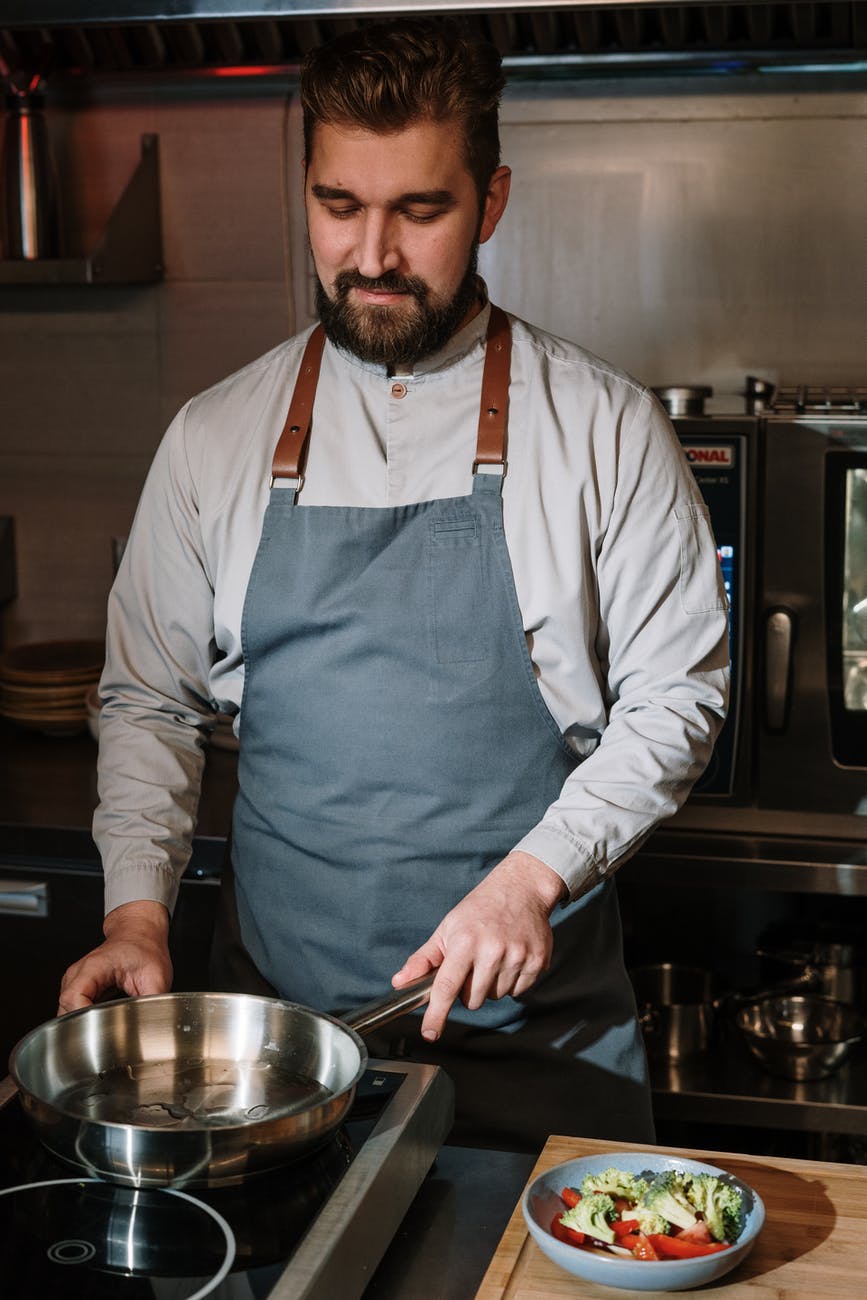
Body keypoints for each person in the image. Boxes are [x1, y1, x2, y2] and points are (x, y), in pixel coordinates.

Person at [59, 17, 728, 1151]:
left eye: (420, 211)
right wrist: (135, 909)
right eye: (338, 206)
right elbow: (150, 701)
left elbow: (679, 698)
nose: (372, 254)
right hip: (271, 1066)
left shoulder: (605, 428)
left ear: (492, 202)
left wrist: (531, 879)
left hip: (539, 1061)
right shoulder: (215, 437)